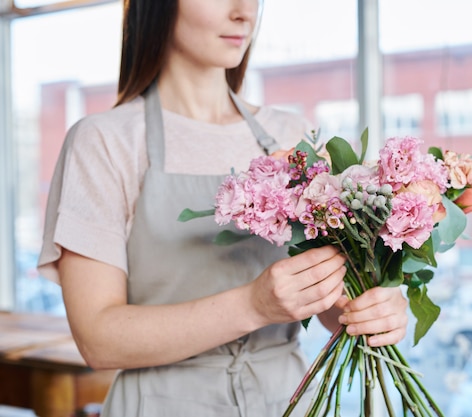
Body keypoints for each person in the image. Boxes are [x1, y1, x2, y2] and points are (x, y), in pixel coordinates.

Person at [37, 0, 409, 415]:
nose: (243, 12)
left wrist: (370, 308)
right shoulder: (104, 141)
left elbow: (329, 306)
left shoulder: (293, 137)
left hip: (287, 402)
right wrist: (253, 305)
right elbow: (98, 340)